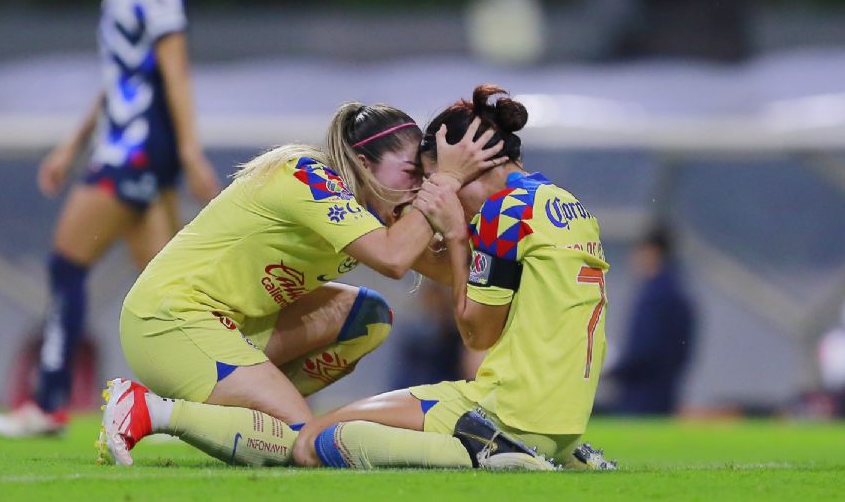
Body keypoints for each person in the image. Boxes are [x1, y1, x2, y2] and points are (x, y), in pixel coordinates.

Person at [96, 101, 507, 466]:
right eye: (411, 174)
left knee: (369, 317)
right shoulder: (307, 176)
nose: (420, 188)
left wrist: (531, 275)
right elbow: (394, 258)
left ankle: (252, 416)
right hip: (170, 320)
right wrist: (447, 181)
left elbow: (454, 270)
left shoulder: (376, 211)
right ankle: (151, 410)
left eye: (425, 177)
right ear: (364, 165)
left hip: (230, 328)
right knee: (299, 441)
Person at [292, 85, 616, 471]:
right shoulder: (564, 204)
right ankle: (553, 457)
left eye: (435, 178)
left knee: (315, 441)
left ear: (471, 166)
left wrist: (458, 237)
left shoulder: (503, 214)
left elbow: (478, 334)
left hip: (505, 411)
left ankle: (488, 452)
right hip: (564, 426)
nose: (436, 193)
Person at [0, 0, 221, 438]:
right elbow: (121, 78)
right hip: (126, 152)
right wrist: (73, 144)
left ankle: (48, 402)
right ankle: (228, 397)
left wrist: (192, 152)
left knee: (67, 267)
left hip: (132, 155)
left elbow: (175, 71)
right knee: (169, 290)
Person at [609, 226, 695, 416]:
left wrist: (612, 371)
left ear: (652, 251)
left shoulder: (655, 296)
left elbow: (644, 350)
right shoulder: (678, 291)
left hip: (642, 396)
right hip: (664, 392)